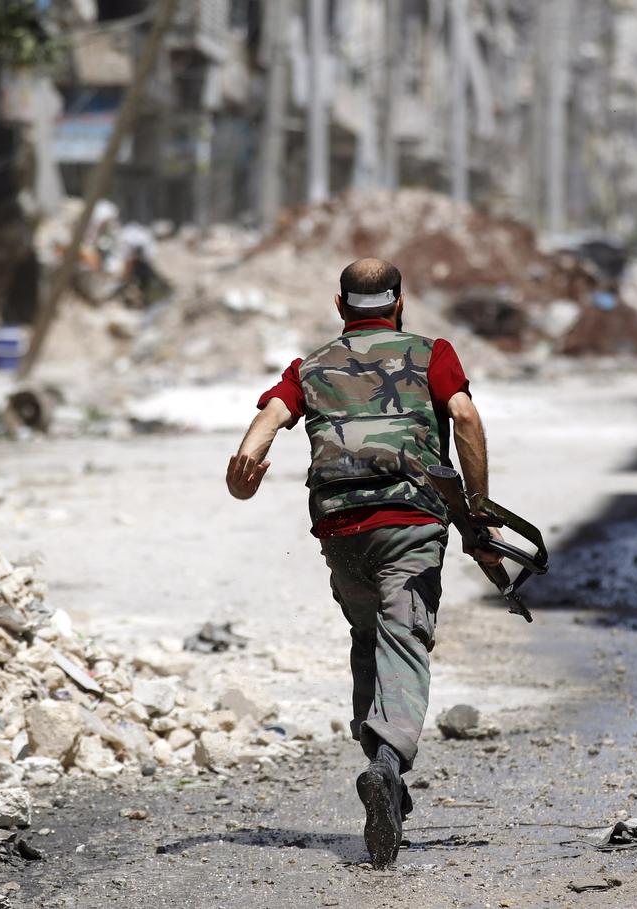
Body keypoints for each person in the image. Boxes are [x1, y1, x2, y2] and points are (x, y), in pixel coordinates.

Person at [226, 257, 503, 868]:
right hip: (410, 521)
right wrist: (477, 513)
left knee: (367, 634)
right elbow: (464, 416)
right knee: (404, 636)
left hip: (340, 525)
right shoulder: (433, 354)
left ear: (340, 306)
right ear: (399, 302)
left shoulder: (311, 365)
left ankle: (381, 772)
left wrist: (243, 468)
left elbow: (267, 421)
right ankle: (387, 762)